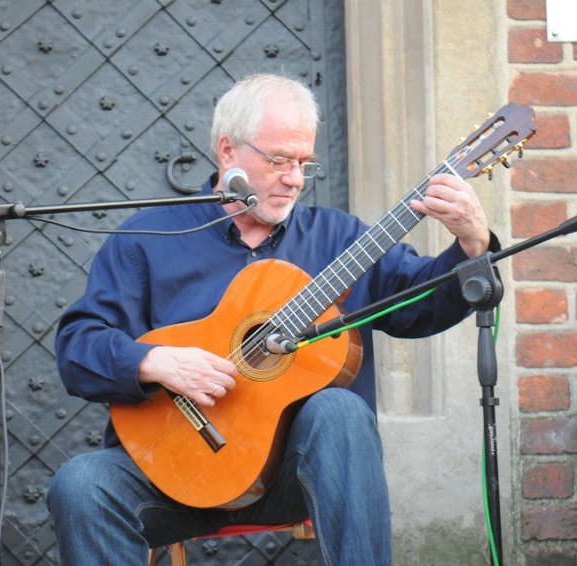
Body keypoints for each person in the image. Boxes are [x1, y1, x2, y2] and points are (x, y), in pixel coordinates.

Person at [47, 73, 498, 565]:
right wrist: (154, 361)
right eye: (279, 160)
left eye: (304, 163)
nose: (295, 179)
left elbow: (420, 306)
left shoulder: (339, 240)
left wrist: (472, 245)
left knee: (340, 411)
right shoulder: (146, 238)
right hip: (173, 474)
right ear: (227, 151)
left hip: (296, 474)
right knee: (81, 484)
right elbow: (78, 345)